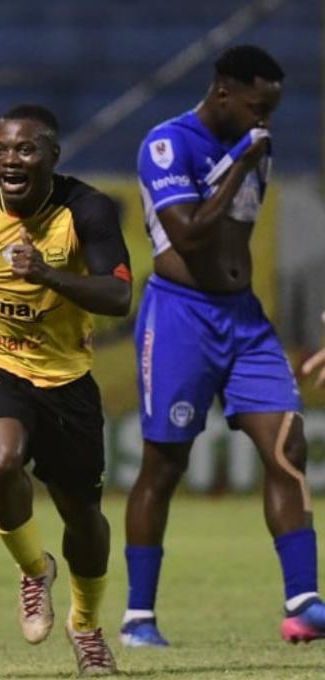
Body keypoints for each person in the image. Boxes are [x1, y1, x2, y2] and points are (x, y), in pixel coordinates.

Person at [121, 45, 325, 648]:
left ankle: (303, 603)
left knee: (288, 443)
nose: (265, 121)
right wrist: (240, 157)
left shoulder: (256, 144)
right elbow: (184, 232)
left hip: (244, 319)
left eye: (272, 111)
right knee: (164, 464)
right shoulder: (167, 145)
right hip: (180, 316)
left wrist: (248, 148)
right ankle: (138, 617)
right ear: (222, 94)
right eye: (258, 107)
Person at [0, 104, 132, 677]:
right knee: (0, 457)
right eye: (1, 149)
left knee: (83, 518)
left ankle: (86, 626)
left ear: (52, 156)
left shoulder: (86, 211)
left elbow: (118, 298)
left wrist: (46, 275)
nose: (10, 160)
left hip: (65, 378)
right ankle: (34, 569)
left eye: (26, 149)